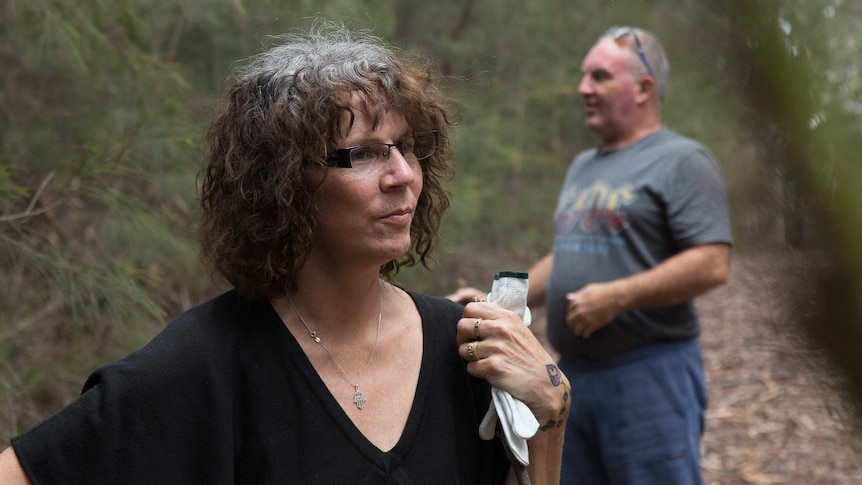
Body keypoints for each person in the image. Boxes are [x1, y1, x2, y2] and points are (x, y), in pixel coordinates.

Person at [0, 22, 570, 484]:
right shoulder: (204, 364)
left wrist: (550, 415)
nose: (403, 176)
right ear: (286, 183)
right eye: (365, 154)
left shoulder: (463, 348)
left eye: (409, 149)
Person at [448, 26, 732, 484]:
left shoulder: (683, 160)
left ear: (643, 89)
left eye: (599, 77)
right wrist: (494, 302)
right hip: (570, 376)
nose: (583, 88)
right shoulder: (585, 165)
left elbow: (712, 261)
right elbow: (569, 255)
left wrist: (617, 296)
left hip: (649, 375)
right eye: (584, 76)